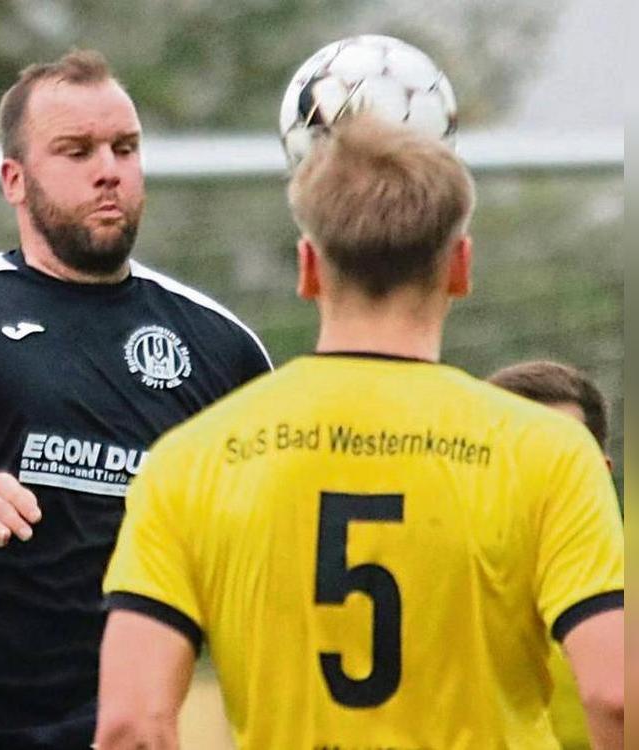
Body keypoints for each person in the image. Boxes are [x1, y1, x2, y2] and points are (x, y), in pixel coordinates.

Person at [96, 116, 624, 750]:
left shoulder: (189, 460)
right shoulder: (551, 451)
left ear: (308, 267)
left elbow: (130, 721)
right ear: (460, 265)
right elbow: (616, 697)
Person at [0, 49, 271, 749]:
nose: (109, 169)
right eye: (76, 151)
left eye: (125, 148)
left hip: (95, 731)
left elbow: (262, 560)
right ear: (15, 180)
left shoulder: (223, 348)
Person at [488, 360, 615, 750]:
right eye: (517, 455)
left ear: (600, 471)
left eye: (562, 456)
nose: (543, 475)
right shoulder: (440, 584)